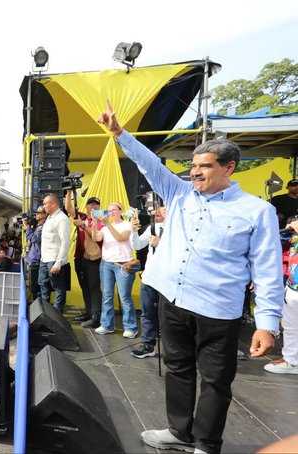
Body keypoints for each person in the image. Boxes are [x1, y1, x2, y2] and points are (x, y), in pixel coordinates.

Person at [99, 100, 283, 454]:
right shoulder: (179, 193)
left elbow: (267, 268)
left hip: (218, 310)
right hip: (174, 300)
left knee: (215, 381)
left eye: (205, 166)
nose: (196, 172)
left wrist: (267, 322)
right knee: (178, 368)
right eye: (194, 166)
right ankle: (179, 432)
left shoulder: (257, 211)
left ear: (229, 167)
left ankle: (206, 445)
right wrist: (120, 134)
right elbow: (149, 164)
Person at [91, 202, 138, 338]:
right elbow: (96, 238)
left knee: (124, 297)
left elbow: (120, 238)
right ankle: (107, 325)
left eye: (114, 210)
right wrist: (94, 224)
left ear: (120, 211)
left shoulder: (128, 225)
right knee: (107, 296)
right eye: (109, 210)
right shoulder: (105, 228)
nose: (111, 213)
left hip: (123, 264)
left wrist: (107, 223)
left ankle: (130, 327)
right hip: (106, 264)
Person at [129, 205, 166, 358]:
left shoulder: (180, 229)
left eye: (163, 210)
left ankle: (174, 349)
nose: (158, 213)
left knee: (169, 316)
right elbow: (137, 245)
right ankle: (148, 345)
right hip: (150, 277)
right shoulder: (153, 227)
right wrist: (133, 231)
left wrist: (161, 244)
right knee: (147, 313)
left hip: (168, 280)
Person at [264, 218, 298, 375]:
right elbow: (277, 240)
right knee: (291, 326)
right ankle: (292, 361)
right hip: (293, 284)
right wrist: (289, 229)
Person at [66, 193, 103, 327]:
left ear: (99, 207)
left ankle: (96, 316)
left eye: (96, 204)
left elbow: (96, 237)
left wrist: (82, 225)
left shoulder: (102, 220)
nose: (93, 206)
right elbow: (69, 208)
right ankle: (88, 312)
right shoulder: (81, 216)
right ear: (86, 206)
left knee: (94, 288)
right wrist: (70, 190)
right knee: (85, 286)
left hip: (94, 260)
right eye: (90, 204)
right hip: (80, 257)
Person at [38, 194, 72, 312]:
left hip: (54, 259)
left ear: (53, 204)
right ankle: (44, 312)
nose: (43, 207)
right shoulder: (50, 217)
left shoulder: (61, 219)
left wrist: (58, 263)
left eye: (45, 204)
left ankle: (57, 313)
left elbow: (65, 242)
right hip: (44, 258)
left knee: (58, 287)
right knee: (43, 284)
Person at [23, 206, 47, 301]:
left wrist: (27, 228)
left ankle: (38, 304)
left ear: (45, 215)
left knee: (37, 286)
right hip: (33, 258)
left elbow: (35, 239)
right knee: (33, 285)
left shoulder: (44, 226)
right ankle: (35, 304)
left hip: (37, 259)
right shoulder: (37, 225)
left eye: (38, 213)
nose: (36, 214)